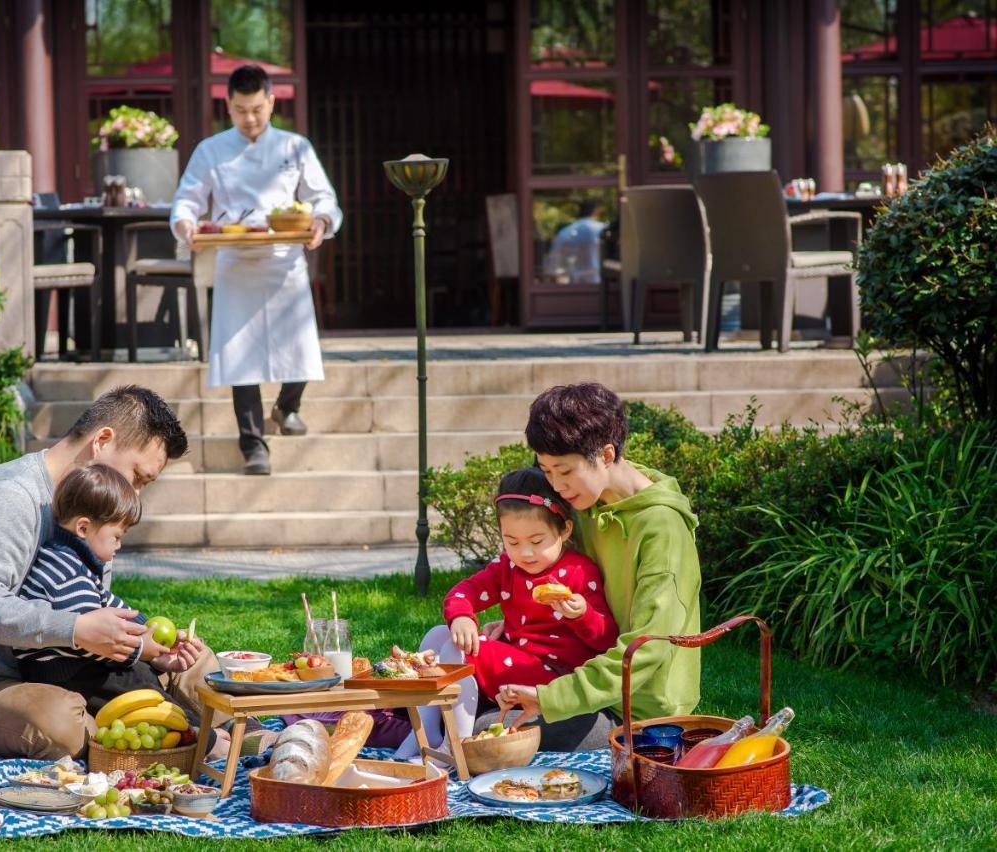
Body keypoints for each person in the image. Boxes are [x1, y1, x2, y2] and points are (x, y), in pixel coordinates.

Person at [0, 385, 222, 761]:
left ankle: (249, 737)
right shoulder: (9, 496)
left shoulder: (97, 510)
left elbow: (92, 606)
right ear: (103, 441)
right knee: (61, 722)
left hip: (75, 672)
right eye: (138, 477)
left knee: (197, 659)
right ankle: (172, 738)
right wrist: (77, 631)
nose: (137, 494)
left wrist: (143, 647)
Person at [494, 382, 702, 751]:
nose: (556, 486)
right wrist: (516, 619)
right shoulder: (585, 500)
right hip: (567, 670)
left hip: (635, 713)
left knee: (484, 728)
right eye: (547, 471)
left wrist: (550, 699)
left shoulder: (662, 529)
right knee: (456, 685)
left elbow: (646, 648)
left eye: (564, 471)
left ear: (606, 455)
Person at [171, 63, 342, 476]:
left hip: (283, 258)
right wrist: (187, 224)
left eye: (256, 110)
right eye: (240, 110)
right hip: (235, 260)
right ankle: (253, 444)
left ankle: (287, 406)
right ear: (227, 106)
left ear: (271, 102)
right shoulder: (211, 150)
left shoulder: (296, 147)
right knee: (240, 355)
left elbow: (324, 199)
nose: (249, 119)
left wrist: (320, 222)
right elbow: (187, 200)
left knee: (298, 344)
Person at [394, 467, 617, 758]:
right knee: (438, 633)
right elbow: (463, 592)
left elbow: (606, 639)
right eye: (512, 542)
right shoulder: (509, 568)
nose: (525, 553)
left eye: (537, 542)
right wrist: (462, 616)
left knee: (459, 648)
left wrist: (582, 614)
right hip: (516, 661)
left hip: (552, 680)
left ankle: (457, 746)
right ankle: (424, 728)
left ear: (564, 529)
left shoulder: (578, 572)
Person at [542, 200, 608, 285]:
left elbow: (553, 262)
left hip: (575, 284)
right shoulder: (602, 229)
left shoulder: (566, 232)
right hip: (600, 283)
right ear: (596, 211)